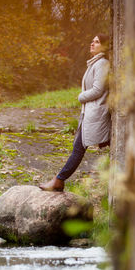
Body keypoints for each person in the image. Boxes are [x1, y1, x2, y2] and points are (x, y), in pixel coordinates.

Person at [40, 34, 111, 192]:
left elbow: (98, 90)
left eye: (97, 42)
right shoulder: (96, 63)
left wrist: (80, 97)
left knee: (78, 149)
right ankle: (59, 180)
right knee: (81, 146)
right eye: (92, 40)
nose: (92, 43)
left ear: (105, 46)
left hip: (96, 112)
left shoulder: (102, 64)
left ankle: (59, 180)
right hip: (90, 112)